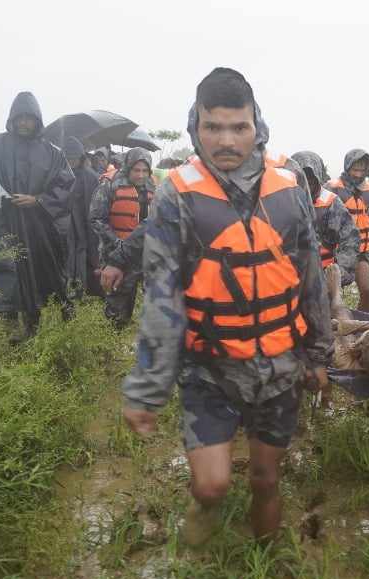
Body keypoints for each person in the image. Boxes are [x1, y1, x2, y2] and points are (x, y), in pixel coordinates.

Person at [121, 67, 332, 545]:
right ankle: (202, 518)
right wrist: (147, 387)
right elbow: (162, 294)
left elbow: (310, 278)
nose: (226, 140)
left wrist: (318, 355)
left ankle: (264, 568)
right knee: (212, 484)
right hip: (209, 367)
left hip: (280, 364)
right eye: (213, 126)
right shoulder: (176, 194)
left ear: (256, 125)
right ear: (196, 125)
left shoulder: (289, 187)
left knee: (265, 480)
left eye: (238, 127)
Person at [0, 91, 75, 337]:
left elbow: (66, 187)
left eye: (29, 118)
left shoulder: (52, 153)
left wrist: (38, 200)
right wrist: (0, 198)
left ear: (37, 120)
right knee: (5, 278)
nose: (24, 123)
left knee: (38, 280)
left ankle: (33, 330)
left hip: (38, 229)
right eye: (19, 118)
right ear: (12, 119)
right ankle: (4, 334)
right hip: (3, 225)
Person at [91, 148, 157, 327]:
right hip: (115, 254)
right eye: (137, 170)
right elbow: (96, 219)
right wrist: (117, 243)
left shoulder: (153, 186)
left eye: (145, 171)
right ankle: (114, 336)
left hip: (145, 254)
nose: (141, 175)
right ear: (128, 168)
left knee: (154, 301)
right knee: (117, 303)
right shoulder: (109, 184)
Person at [326, 149, 369, 311]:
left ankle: (361, 324)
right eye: (355, 169)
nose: (358, 174)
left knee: (367, 290)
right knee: (331, 292)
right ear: (347, 167)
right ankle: (331, 323)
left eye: (362, 170)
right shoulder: (332, 189)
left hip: (361, 252)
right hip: (337, 251)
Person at [291, 151, 360, 284]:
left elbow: (350, 239)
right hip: (289, 275)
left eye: (311, 178)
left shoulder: (331, 203)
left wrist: (340, 273)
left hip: (322, 275)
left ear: (318, 178)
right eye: (302, 177)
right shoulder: (282, 199)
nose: (306, 183)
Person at [63, 137, 103, 299]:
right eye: (68, 157)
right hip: (67, 225)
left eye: (75, 157)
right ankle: (69, 291)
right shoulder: (59, 175)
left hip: (86, 224)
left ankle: (85, 291)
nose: (72, 161)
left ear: (81, 157)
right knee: (68, 257)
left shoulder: (91, 176)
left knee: (88, 257)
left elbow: (97, 205)